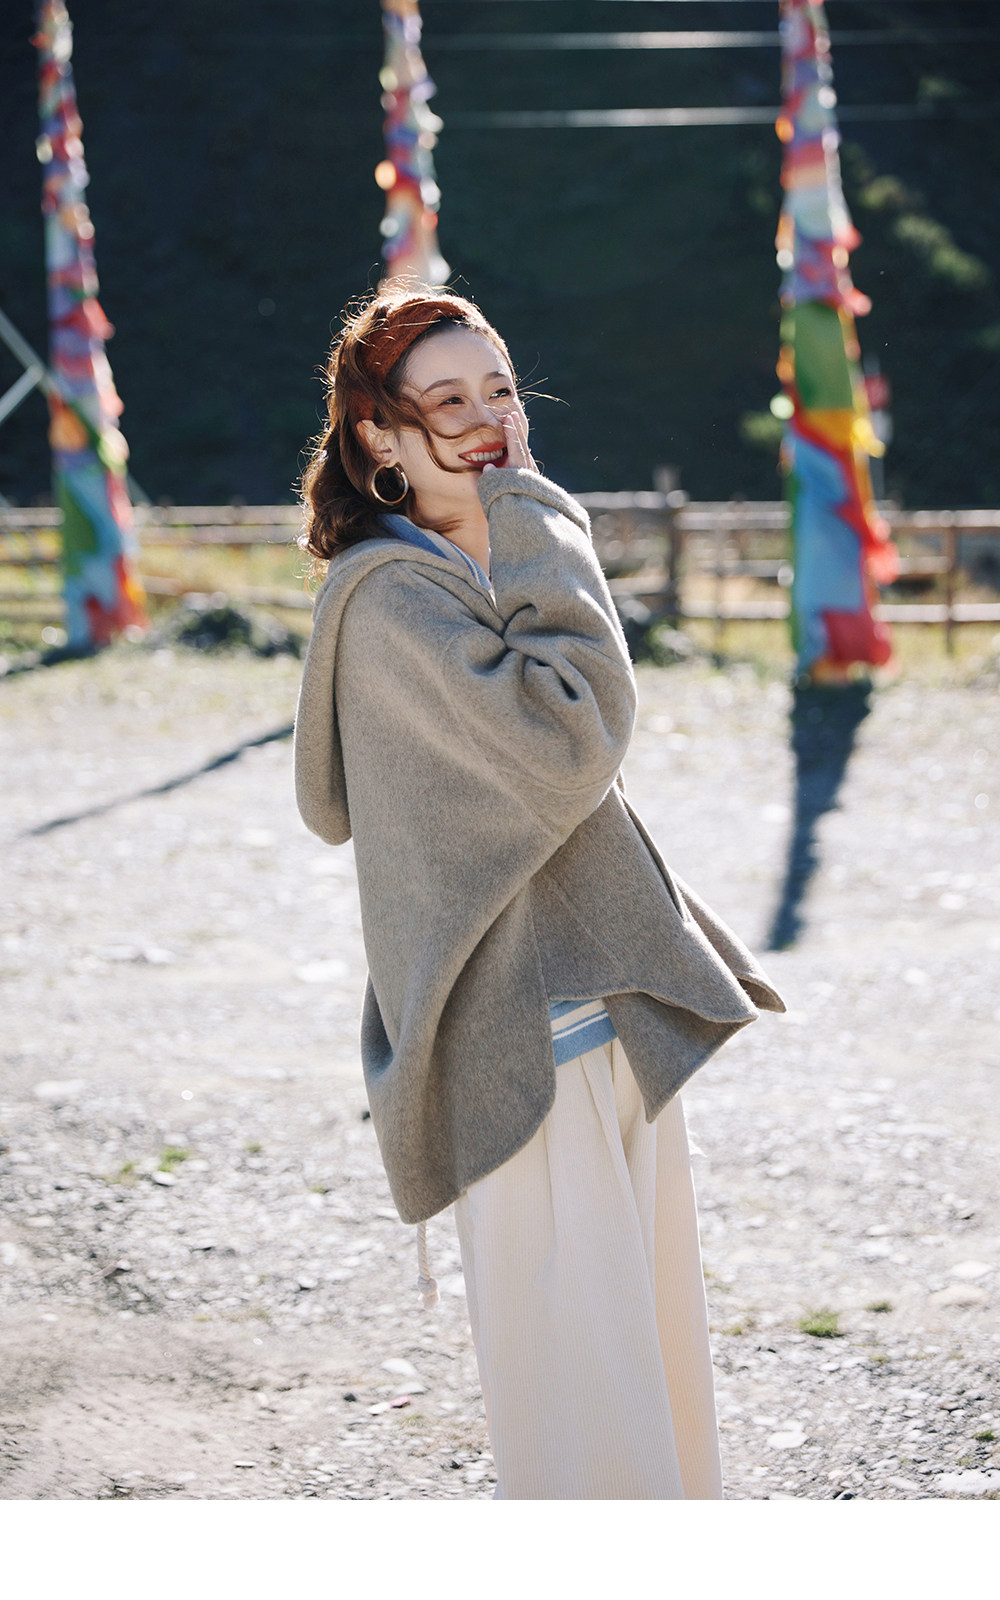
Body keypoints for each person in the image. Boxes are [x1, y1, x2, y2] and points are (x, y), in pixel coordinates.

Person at [294, 281, 784, 1500]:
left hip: (602, 1014)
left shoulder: (481, 557)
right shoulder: (393, 598)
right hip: (518, 1046)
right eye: (447, 401)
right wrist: (535, 509)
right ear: (378, 436)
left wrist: (519, 520)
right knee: (585, 1410)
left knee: (656, 1374)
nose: (487, 423)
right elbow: (577, 734)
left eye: (500, 390)